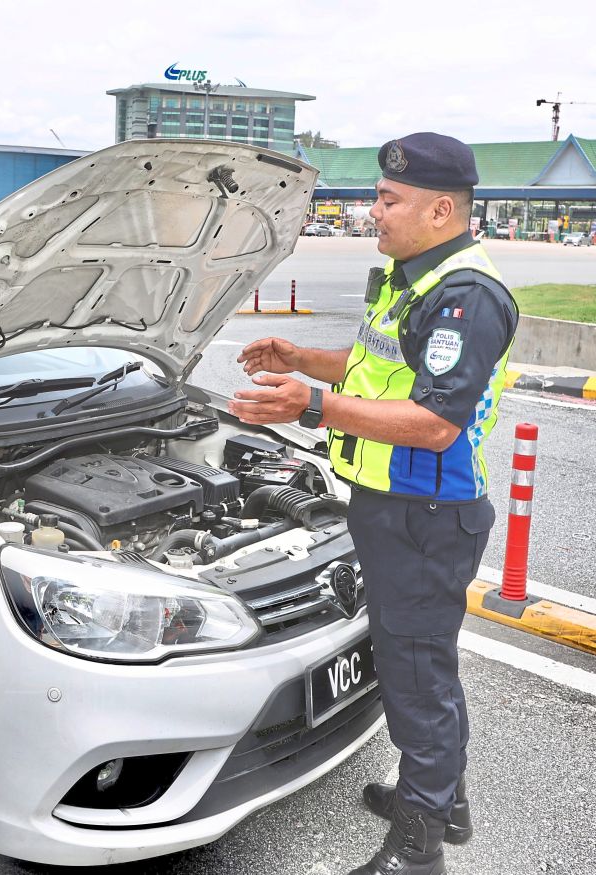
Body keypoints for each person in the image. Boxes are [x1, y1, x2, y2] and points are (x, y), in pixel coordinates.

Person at [229, 132, 517, 875]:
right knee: (418, 664)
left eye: (389, 200)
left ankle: (417, 852)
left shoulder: (465, 294)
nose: (372, 211)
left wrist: (313, 405)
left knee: (417, 674)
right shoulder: (410, 275)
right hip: (395, 506)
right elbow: (375, 367)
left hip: (427, 513)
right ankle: (441, 798)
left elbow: (434, 420)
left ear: (440, 209)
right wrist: (301, 361)